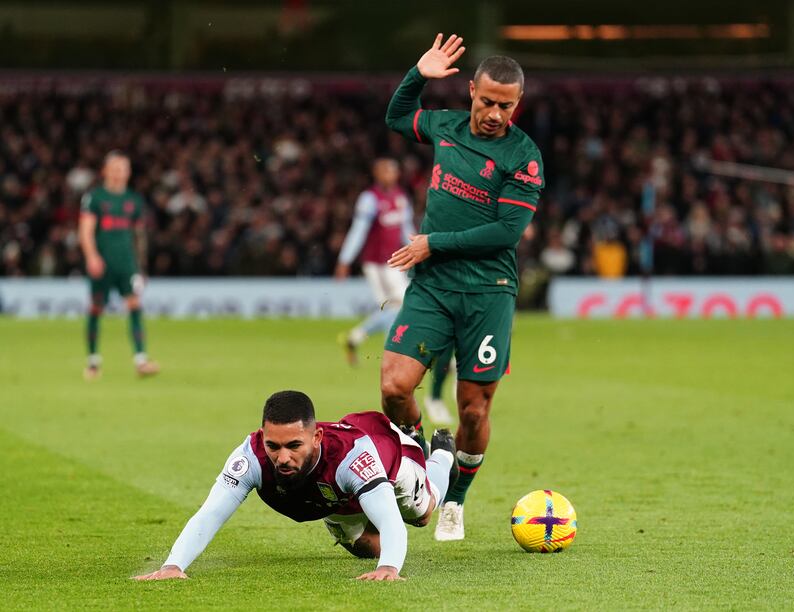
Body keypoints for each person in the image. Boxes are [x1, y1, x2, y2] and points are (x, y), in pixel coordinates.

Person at [381, 34, 545, 541]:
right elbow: (396, 118)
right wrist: (417, 74)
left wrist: (434, 242)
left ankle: (455, 498)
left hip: (488, 292)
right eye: (488, 101)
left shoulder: (524, 156)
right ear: (471, 90)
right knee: (393, 386)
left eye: (506, 105)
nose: (495, 113)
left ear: (517, 103)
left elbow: (505, 233)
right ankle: (421, 462)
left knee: (474, 407)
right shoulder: (446, 126)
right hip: (432, 287)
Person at [133, 390, 457, 582]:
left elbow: (388, 518)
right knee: (364, 549)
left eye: (294, 446)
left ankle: (440, 454)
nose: (282, 457)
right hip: (332, 495)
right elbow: (210, 514)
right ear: (262, 436)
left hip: (388, 457)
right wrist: (173, 566)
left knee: (421, 514)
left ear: (316, 437)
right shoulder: (251, 457)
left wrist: (389, 568)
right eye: (273, 446)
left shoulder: (352, 456)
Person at [78, 151, 159, 379]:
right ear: (105, 171)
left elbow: (139, 236)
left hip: (127, 264)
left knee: (134, 305)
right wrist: (92, 256)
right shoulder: (95, 198)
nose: (119, 173)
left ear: (128, 172)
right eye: (115, 168)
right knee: (96, 308)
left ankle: (141, 360)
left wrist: (141, 267)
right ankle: (93, 362)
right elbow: (85, 231)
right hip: (102, 264)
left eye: (123, 168)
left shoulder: (134, 200)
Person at [335, 158, 415, 366]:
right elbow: (358, 231)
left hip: (395, 261)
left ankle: (356, 337)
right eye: (385, 170)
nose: (389, 174)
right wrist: (345, 259)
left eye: (392, 170)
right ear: (377, 174)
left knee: (396, 307)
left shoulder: (401, 197)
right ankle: (392, 353)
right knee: (399, 306)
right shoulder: (369, 199)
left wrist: (416, 251)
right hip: (377, 263)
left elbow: (406, 229)